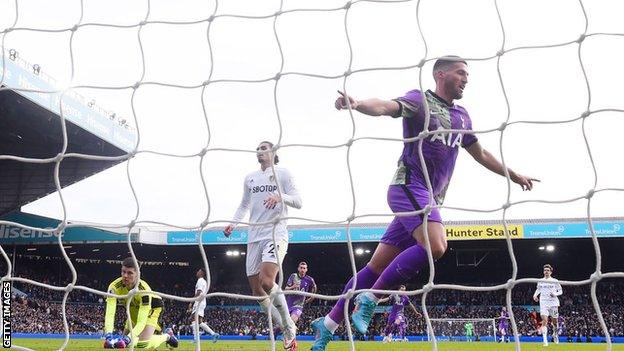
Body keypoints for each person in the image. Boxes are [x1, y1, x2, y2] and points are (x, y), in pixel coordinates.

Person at [311, 56, 539, 350]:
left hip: (427, 198)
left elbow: (481, 154)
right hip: (408, 186)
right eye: (461, 73)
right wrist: (356, 104)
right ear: (441, 74)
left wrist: (514, 174)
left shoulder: (463, 117)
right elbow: (385, 106)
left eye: (467, 74)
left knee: (375, 266)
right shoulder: (420, 101)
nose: (466, 78)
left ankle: (327, 325)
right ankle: (370, 297)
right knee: (437, 245)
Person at [224, 141, 302, 350]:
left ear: (274, 152)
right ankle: (286, 328)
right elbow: (244, 205)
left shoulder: (283, 173)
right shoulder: (250, 177)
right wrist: (233, 223)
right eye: (257, 148)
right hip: (254, 236)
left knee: (267, 281)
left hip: (275, 233)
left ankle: (288, 327)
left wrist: (279, 197)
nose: (260, 151)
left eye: (264, 148)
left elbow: (299, 201)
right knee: (257, 291)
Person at [103, 257, 178, 349]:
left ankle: (167, 336)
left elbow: (141, 322)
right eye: (123, 272)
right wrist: (108, 335)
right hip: (132, 309)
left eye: (130, 273)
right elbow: (110, 313)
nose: (125, 276)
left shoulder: (144, 291)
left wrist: (129, 338)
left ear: (138, 274)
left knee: (142, 344)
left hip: (153, 307)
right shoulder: (114, 287)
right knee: (123, 343)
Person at [187, 268, 219, 343]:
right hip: (202, 302)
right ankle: (214, 334)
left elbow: (199, 292)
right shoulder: (203, 281)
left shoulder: (200, 281)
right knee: (200, 322)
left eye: (198, 271)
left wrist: (191, 302)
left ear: (201, 273)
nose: (197, 272)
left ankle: (196, 339)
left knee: (193, 319)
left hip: (199, 302)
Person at [533, 264, 562, 346]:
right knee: (544, 320)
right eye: (545, 270)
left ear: (551, 272)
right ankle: (545, 341)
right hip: (543, 303)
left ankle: (555, 334)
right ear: (543, 271)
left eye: (548, 270)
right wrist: (535, 295)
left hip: (553, 303)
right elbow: (538, 289)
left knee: (555, 321)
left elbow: (560, 291)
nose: (546, 272)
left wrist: (555, 294)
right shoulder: (540, 280)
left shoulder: (555, 281)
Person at [284, 261, 317, 326]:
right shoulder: (293, 276)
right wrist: (293, 287)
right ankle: (273, 334)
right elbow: (286, 289)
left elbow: (314, 287)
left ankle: (288, 336)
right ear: (298, 269)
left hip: (299, 305)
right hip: (288, 304)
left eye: (304, 268)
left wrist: (311, 297)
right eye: (301, 268)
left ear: (306, 270)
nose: (302, 270)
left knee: (292, 322)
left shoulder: (309, 279)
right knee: (282, 325)